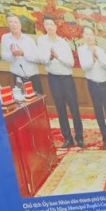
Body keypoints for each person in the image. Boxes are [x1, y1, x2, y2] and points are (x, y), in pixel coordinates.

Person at [36, 17, 84, 148]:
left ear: (56, 27)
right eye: (47, 24)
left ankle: (79, 137)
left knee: (74, 108)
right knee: (60, 109)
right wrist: (50, 57)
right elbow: (42, 59)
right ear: (44, 26)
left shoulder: (63, 43)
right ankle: (67, 138)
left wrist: (57, 57)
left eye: (52, 24)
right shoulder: (41, 41)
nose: (50, 27)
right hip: (53, 78)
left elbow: (70, 63)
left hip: (67, 79)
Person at [77, 25, 106, 149]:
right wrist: (93, 59)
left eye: (91, 34)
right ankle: (105, 138)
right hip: (93, 84)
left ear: (94, 36)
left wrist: (99, 58)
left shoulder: (100, 50)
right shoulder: (82, 50)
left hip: (104, 84)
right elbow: (85, 68)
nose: (89, 37)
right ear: (83, 36)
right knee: (99, 112)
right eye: (87, 34)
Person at [1, 14, 41, 93]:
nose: (13, 24)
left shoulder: (29, 40)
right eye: (10, 22)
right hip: (17, 77)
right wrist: (13, 55)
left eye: (16, 22)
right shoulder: (5, 38)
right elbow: (4, 57)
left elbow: (37, 58)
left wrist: (23, 54)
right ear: (8, 24)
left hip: (33, 76)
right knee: (22, 102)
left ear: (20, 25)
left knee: (38, 101)